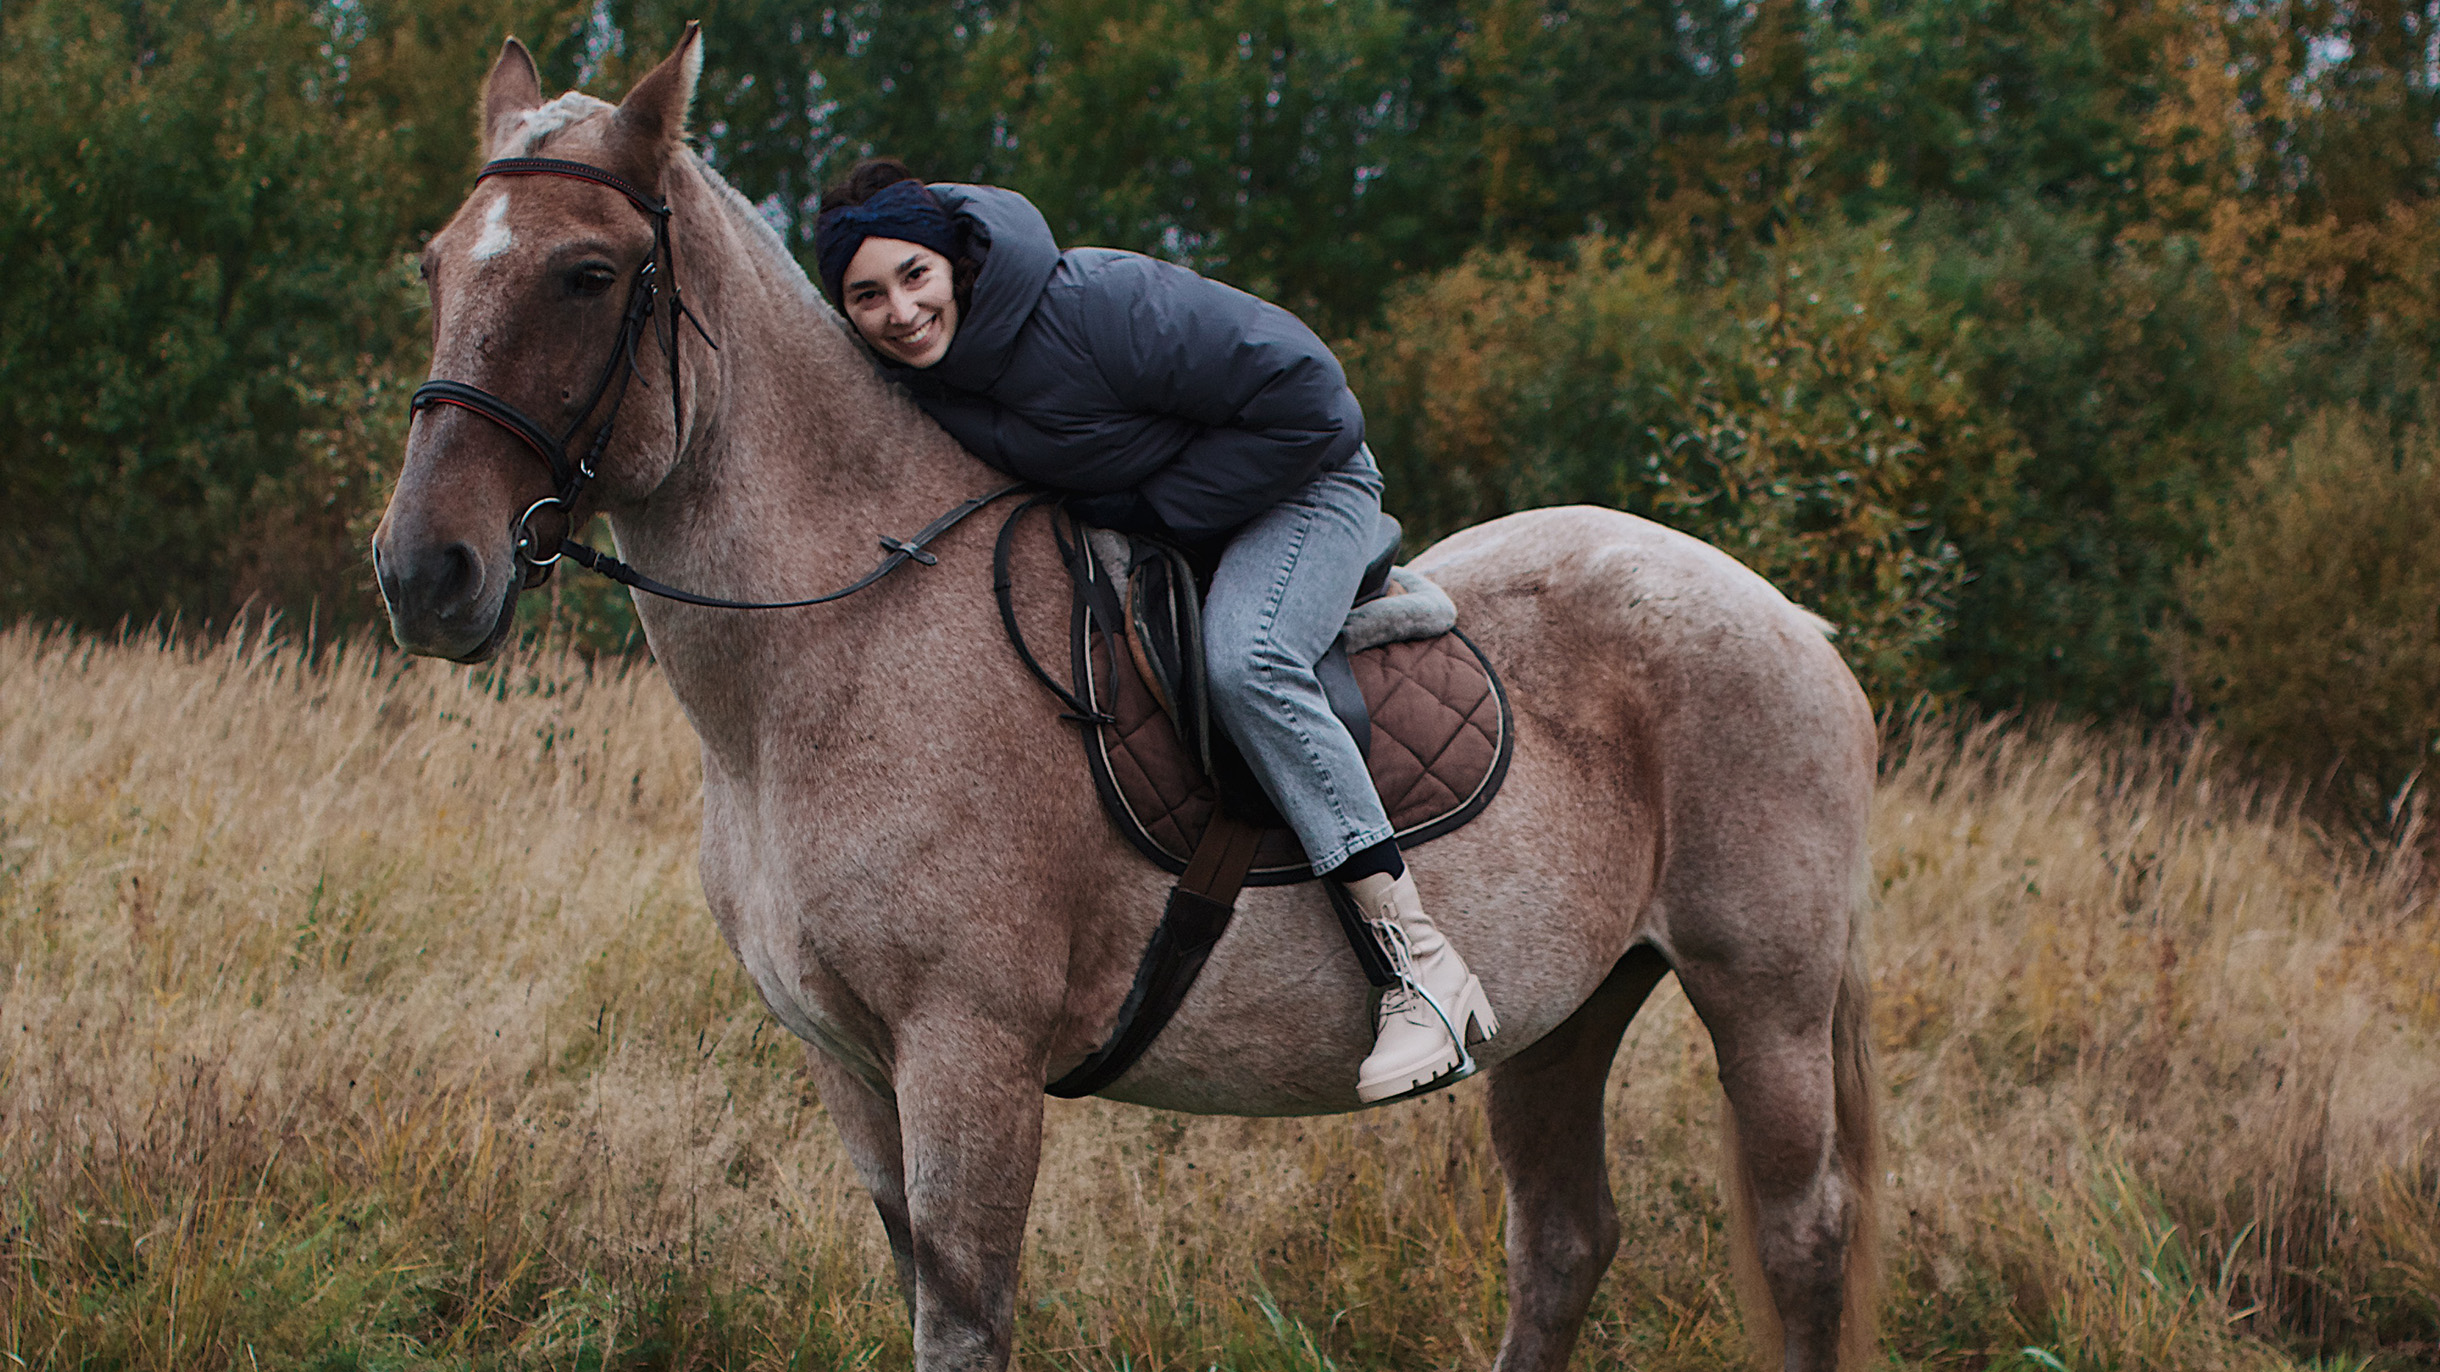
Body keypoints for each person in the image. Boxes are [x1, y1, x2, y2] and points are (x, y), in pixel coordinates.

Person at [813, 160, 1497, 1102]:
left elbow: (1312, 396)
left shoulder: (1098, 303)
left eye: (914, 276)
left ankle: (1421, 969)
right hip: (1168, 522)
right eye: (867, 296)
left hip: (1307, 484)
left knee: (1246, 659)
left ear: (955, 264)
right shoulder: (923, 376)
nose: (900, 311)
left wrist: (1153, 507)